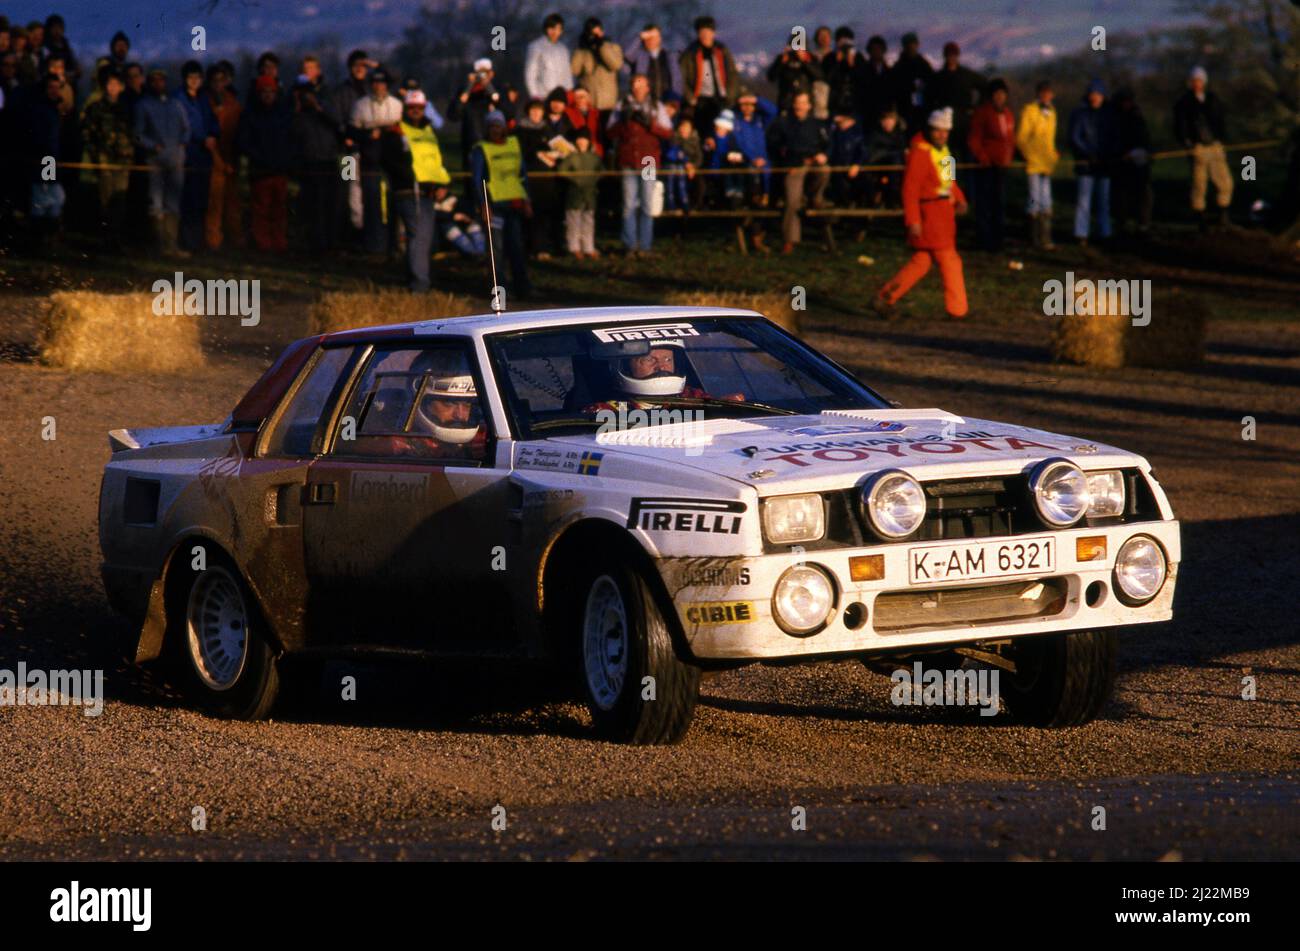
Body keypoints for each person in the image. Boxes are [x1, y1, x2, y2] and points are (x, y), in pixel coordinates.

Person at [875, 107, 969, 320]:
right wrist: (913, 220)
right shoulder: (920, 153)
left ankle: (885, 297)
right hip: (930, 215)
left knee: (922, 261)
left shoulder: (943, 151)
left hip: (943, 213)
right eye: (938, 130)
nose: (942, 134)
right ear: (930, 129)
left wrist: (961, 199)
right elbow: (910, 189)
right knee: (949, 260)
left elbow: (949, 182)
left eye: (946, 131)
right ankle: (958, 310)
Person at [383, 89, 450, 292]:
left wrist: (442, 185)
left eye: (419, 107)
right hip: (409, 191)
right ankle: (419, 286)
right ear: (405, 108)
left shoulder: (428, 131)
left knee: (422, 239)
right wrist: (415, 180)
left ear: (424, 107)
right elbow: (390, 161)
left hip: (428, 192)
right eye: (411, 107)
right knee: (420, 238)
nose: (415, 111)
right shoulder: (397, 131)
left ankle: (415, 282)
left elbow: (435, 162)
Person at [607, 74, 673, 256]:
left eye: (641, 85)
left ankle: (644, 246)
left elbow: (668, 133)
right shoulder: (621, 106)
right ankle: (629, 245)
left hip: (648, 161)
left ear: (648, 88)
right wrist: (623, 122)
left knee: (647, 203)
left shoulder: (656, 107)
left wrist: (650, 124)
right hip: (628, 159)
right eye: (634, 85)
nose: (637, 89)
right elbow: (610, 132)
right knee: (628, 204)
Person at [470, 110, 532, 299]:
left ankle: (523, 290)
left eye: (498, 125)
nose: (495, 129)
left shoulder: (513, 144)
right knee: (496, 251)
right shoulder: (481, 149)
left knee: (516, 248)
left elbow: (523, 175)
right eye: (492, 126)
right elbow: (477, 179)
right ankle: (500, 294)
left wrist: (527, 199)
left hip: (514, 204)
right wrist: (483, 204)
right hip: (494, 204)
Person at [586, 340, 742, 414]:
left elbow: (714, 407)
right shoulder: (609, 410)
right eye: (649, 359)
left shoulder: (691, 397)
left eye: (668, 359)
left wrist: (726, 404)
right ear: (625, 366)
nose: (661, 367)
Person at [134, 67, 189, 256]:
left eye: (161, 80)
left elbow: (186, 129)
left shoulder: (176, 104)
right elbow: (138, 134)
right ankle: (158, 246)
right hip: (155, 161)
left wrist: (182, 145)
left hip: (175, 160)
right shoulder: (143, 105)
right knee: (155, 202)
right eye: (154, 81)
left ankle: (171, 244)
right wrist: (153, 146)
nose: (159, 84)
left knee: (173, 203)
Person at [766, 90, 829, 253]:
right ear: (793, 104)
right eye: (798, 102)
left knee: (825, 170)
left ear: (809, 106)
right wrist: (794, 161)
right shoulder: (783, 123)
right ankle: (790, 239)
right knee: (792, 202)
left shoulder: (816, 124)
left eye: (804, 102)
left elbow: (826, 144)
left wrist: (822, 155)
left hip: (814, 163)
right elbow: (777, 147)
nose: (801, 106)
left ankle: (815, 197)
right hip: (795, 166)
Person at [349, 67, 402, 254]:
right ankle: (372, 246)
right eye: (376, 83)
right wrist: (369, 133)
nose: (379, 87)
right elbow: (352, 132)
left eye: (382, 83)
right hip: (368, 162)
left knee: (392, 204)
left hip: (392, 162)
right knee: (369, 204)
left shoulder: (397, 105)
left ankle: (392, 245)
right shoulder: (361, 105)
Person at [238, 75, 294, 252]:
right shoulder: (251, 114)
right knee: (261, 210)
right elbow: (244, 141)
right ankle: (263, 244)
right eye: (265, 92)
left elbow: (290, 139)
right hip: (261, 171)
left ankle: (278, 243)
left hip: (279, 170)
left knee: (279, 210)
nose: (268, 95)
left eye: (271, 91)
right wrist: (260, 157)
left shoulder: (282, 113)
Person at [1173, 65, 1232, 229]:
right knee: (1199, 184)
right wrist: (1188, 144)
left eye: (1199, 80)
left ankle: (1223, 215)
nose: (1197, 83)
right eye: (1194, 80)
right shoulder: (1184, 103)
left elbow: (1221, 121)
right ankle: (1200, 218)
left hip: (1215, 147)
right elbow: (1180, 126)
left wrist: (1222, 140)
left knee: (1225, 182)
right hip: (1197, 148)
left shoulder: (1213, 99)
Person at [81, 66, 134, 243]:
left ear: (121, 87)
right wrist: (97, 156)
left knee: (120, 200)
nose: (113, 87)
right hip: (104, 162)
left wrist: (129, 152)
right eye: (110, 84)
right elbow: (87, 133)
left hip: (123, 162)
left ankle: (116, 239)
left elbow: (133, 134)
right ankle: (104, 239)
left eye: (116, 84)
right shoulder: (96, 108)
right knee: (105, 200)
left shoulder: (126, 109)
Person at [292, 66, 343, 253]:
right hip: (310, 163)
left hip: (330, 161)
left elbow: (338, 124)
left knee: (333, 203)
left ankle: (333, 242)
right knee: (315, 206)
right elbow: (294, 134)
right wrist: (298, 109)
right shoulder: (299, 116)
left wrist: (319, 108)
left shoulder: (326, 108)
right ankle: (317, 245)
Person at [25, 71, 74, 252]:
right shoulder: (42, 110)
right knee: (46, 197)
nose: (55, 91)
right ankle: (41, 241)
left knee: (52, 198)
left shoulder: (53, 109)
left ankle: (44, 241)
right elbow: (40, 138)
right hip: (45, 160)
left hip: (50, 159)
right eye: (51, 87)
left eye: (57, 87)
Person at [967, 78, 1015, 252]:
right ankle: (984, 238)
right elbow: (974, 139)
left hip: (1002, 165)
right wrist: (982, 156)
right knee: (985, 202)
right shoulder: (983, 113)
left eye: (1003, 94)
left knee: (999, 202)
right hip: (986, 165)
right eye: (997, 94)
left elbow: (1010, 138)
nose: (1000, 97)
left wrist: (1009, 155)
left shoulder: (1008, 114)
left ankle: (998, 238)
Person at [177, 60, 220, 252]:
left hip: (204, 156)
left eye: (197, 77)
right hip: (189, 154)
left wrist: (212, 135)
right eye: (191, 77)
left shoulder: (203, 99)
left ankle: (200, 240)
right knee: (188, 199)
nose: (194, 81)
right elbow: (183, 125)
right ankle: (187, 240)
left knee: (203, 200)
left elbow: (212, 121)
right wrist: (202, 138)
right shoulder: (179, 99)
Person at [1068, 78, 1116, 245]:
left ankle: (1104, 233)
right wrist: (1088, 154)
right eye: (1092, 94)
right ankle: (1081, 233)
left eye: (1098, 94)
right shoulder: (1080, 114)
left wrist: (1106, 155)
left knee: (1103, 201)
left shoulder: (1109, 114)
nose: (1095, 98)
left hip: (1104, 164)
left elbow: (1112, 138)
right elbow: (1075, 137)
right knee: (1084, 200)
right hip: (1086, 164)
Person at [515, 96, 564, 259]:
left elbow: (560, 147)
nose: (536, 114)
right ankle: (528, 247)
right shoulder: (520, 129)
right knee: (528, 212)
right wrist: (537, 154)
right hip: (528, 174)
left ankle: (543, 247)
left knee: (545, 212)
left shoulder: (547, 129)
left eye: (539, 111)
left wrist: (555, 155)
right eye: (533, 110)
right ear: (528, 112)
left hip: (546, 176)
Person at [1016, 79, 1058, 249]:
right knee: (1034, 199)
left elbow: (1050, 140)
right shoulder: (1030, 111)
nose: (1047, 96)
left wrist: (1052, 157)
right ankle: (1033, 237)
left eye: (1049, 93)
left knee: (1046, 200)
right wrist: (1029, 155)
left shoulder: (1052, 112)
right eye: (1044, 92)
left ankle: (1045, 237)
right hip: (1034, 162)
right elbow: (1022, 137)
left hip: (1047, 163)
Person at [333, 49, 371, 242]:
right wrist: (346, 136)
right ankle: (348, 234)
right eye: (356, 65)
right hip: (348, 152)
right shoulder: (342, 91)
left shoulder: (372, 88)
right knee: (347, 191)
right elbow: (337, 118)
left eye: (363, 65)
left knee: (369, 190)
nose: (360, 69)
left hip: (370, 151)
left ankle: (367, 233)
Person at [680, 16, 738, 136]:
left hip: (722, 100)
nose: (706, 35)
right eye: (702, 32)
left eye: (708, 32)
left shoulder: (722, 51)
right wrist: (690, 97)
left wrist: (730, 95)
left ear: (713, 33)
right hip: (700, 101)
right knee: (704, 133)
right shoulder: (690, 53)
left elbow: (732, 74)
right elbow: (681, 78)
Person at [926, 41, 984, 161]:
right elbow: (929, 99)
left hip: (964, 122)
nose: (951, 58)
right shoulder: (938, 78)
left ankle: (967, 180)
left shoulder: (966, 75)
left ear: (957, 56)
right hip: (945, 124)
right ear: (945, 56)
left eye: (954, 55)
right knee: (947, 155)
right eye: (949, 55)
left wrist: (976, 109)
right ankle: (948, 180)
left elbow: (985, 87)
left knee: (967, 154)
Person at [450, 57, 506, 168]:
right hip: (471, 144)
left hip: (495, 144)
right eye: (480, 73)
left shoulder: (498, 90)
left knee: (489, 180)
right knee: (475, 179)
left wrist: (489, 88)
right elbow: (453, 115)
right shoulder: (465, 92)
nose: (482, 77)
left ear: (492, 74)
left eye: (486, 73)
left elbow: (506, 111)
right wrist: (468, 88)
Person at [1112, 88, 1153, 236]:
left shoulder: (1137, 116)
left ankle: (1143, 223)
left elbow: (1144, 139)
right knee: (1122, 194)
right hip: (1122, 162)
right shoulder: (1116, 117)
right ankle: (1122, 222)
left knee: (1142, 193)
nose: (1126, 104)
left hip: (1139, 160)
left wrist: (1137, 153)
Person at [560, 129, 601, 257]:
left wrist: (593, 179)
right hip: (575, 193)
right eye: (579, 139)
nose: (582, 142)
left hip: (590, 193)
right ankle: (574, 247)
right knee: (573, 220)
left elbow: (601, 171)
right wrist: (575, 179)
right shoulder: (572, 156)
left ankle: (588, 247)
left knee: (589, 220)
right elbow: (562, 171)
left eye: (584, 139)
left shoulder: (594, 157)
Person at [732, 89, 777, 205]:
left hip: (763, 159)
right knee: (752, 174)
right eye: (744, 105)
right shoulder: (736, 121)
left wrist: (757, 99)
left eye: (750, 105)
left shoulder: (760, 119)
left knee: (767, 172)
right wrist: (752, 158)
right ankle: (752, 201)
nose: (747, 108)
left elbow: (773, 111)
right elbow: (739, 143)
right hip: (747, 160)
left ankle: (765, 198)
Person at [571, 17, 624, 115]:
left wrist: (602, 46)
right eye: (592, 34)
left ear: (602, 31)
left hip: (608, 102)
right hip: (589, 102)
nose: (594, 36)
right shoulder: (582, 50)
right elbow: (574, 70)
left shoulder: (613, 47)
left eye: (597, 33)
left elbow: (616, 65)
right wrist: (581, 49)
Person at [625, 23, 680, 102]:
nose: (651, 40)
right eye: (648, 38)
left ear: (659, 38)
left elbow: (677, 79)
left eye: (654, 37)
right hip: (645, 102)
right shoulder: (639, 56)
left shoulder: (670, 56)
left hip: (667, 101)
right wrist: (639, 36)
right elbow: (627, 54)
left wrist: (676, 99)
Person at [863, 106, 906, 207]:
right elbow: (871, 153)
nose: (888, 123)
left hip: (895, 171)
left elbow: (902, 151)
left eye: (891, 120)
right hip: (877, 167)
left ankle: (893, 200)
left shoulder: (900, 136)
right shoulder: (874, 135)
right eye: (885, 120)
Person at [891, 32, 933, 135]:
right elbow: (893, 91)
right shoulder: (898, 67)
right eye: (908, 44)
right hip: (904, 111)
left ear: (917, 45)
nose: (911, 47)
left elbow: (932, 87)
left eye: (913, 44)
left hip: (922, 111)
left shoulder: (924, 66)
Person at [524, 13, 571, 101]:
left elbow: (567, 74)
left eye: (558, 29)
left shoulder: (563, 49)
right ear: (546, 29)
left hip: (561, 97)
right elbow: (530, 73)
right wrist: (534, 95)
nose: (555, 32)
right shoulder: (536, 46)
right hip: (543, 96)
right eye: (552, 28)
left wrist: (569, 93)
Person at [767, 40, 823, 113]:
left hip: (805, 103)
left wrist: (805, 61)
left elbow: (819, 76)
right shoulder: (783, 58)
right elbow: (771, 77)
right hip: (786, 102)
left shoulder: (810, 58)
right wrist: (782, 62)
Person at [823, 27, 865, 122]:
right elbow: (827, 80)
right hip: (835, 103)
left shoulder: (858, 57)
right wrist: (836, 62)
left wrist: (852, 65)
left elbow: (863, 79)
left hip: (855, 102)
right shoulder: (829, 58)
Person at [432, 183, 486, 257]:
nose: (438, 193)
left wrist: (465, 217)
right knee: (450, 228)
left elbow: (469, 213)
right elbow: (438, 216)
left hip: (465, 225)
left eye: (441, 190)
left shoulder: (455, 199)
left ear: (446, 190)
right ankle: (476, 254)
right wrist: (453, 216)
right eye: (436, 190)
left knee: (474, 228)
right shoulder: (432, 205)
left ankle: (479, 254)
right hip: (448, 230)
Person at [828, 111, 869, 208]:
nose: (842, 122)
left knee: (865, 180)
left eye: (845, 120)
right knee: (839, 181)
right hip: (838, 167)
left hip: (854, 166)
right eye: (840, 121)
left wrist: (856, 164)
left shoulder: (857, 135)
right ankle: (845, 204)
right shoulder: (834, 134)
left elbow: (863, 152)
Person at [859, 35, 895, 123]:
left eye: (879, 49)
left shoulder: (890, 71)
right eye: (873, 49)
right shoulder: (862, 71)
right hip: (868, 114)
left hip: (886, 116)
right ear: (869, 51)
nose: (876, 51)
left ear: (883, 50)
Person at [565, 85, 603, 156]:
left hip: (594, 149)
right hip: (576, 149)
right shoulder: (569, 112)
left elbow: (599, 135)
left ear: (588, 98)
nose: (581, 99)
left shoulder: (596, 113)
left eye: (583, 96)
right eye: (577, 96)